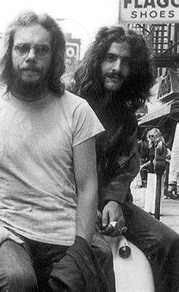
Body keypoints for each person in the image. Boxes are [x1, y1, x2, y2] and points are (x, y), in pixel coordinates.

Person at [0, 11, 112, 291]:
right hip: (11, 232)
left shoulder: (77, 110)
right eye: (22, 48)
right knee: (18, 281)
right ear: (9, 52)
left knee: (98, 267)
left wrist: (80, 248)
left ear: (54, 57)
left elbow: (88, 186)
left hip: (65, 234)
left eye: (41, 49)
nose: (31, 56)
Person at [71, 26, 179, 291]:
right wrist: (86, 205)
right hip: (67, 201)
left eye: (126, 62)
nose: (117, 67)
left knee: (168, 243)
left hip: (113, 203)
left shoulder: (126, 115)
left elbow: (125, 167)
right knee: (95, 259)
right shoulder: (70, 101)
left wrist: (113, 201)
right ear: (97, 59)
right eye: (110, 58)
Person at [141, 128, 170, 213]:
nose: (150, 138)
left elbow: (168, 154)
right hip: (151, 169)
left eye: (152, 136)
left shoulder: (161, 145)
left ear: (157, 136)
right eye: (149, 136)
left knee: (156, 189)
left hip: (158, 169)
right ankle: (149, 208)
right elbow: (151, 159)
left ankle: (155, 209)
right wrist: (144, 165)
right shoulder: (152, 145)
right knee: (150, 189)